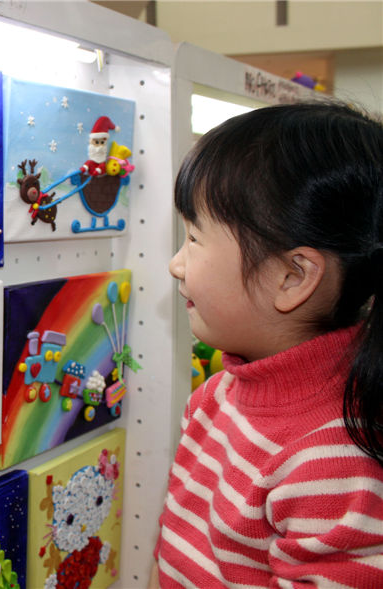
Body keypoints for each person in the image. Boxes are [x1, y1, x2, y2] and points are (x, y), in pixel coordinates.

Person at [152, 101, 383, 587]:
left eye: (194, 238)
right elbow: (173, 548)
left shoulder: (336, 468)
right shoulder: (214, 398)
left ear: (292, 277)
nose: (176, 264)